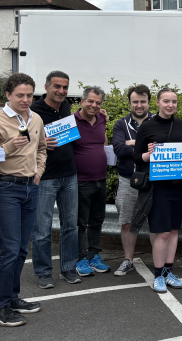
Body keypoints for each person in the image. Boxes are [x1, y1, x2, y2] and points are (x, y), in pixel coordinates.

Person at [0, 73, 47, 327]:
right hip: (4, 188)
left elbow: (42, 148)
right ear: (8, 95)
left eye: (29, 95)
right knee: (10, 249)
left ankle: (12, 297)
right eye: (20, 95)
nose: (25, 99)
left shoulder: (36, 118)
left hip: (29, 188)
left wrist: (39, 171)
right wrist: (9, 146)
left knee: (22, 249)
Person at [30, 70, 81, 289]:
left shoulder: (67, 108)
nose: (61, 91)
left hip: (69, 175)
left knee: (71, 226)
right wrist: (40, 141)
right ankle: (43, 271)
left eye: (65, 87)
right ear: (47, 87)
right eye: (57, 87)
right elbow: (21, 138)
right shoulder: (33, 111)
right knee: (42, 228)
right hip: (45, 177)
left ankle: (68, 268)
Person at [134, 88, 182, 292]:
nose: (170, 105)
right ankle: (158, 275)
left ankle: (168, 271)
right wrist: (148, 155)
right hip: (157, 187)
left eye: (174, 102)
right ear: (157, 102)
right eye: (166, 101)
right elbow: (136, 157)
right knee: (162, 233)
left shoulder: (181, 125)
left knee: (174, 231)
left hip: (177, 185)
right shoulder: (147, 126)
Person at [111, 84, 153, 276]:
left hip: (155, 180)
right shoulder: (121, 124)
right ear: (130, 103)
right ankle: (128, 260)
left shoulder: (158, 122)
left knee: (156, 222)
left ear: (149, 102)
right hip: (128, 180)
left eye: (142, 101)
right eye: (135, 101)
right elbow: (119, 150)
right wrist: (144, 146)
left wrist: (133, 142)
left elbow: (163, 148)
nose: (139, 105)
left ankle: (159, 263)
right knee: (127, 222)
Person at [72, 86, 111, 276]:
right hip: (80, 182)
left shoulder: (102, 119)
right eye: (91, 101)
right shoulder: (72, 122)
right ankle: (80, 259)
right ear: (82, 101)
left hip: (100, 180)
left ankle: (94, 255)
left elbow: (102, 142)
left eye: (98, 102)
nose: (94, 105)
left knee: (97, 220)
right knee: (80, 223)